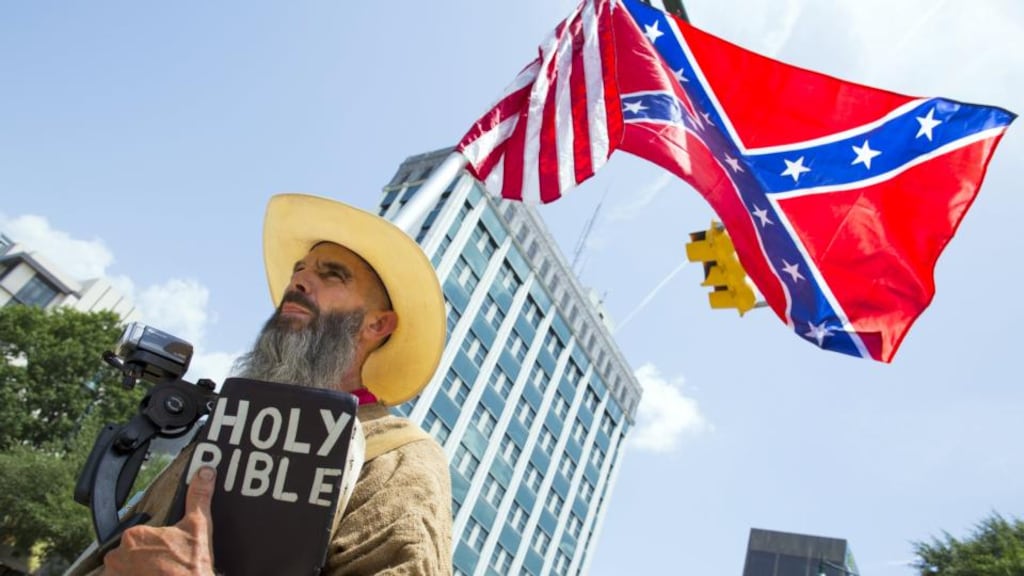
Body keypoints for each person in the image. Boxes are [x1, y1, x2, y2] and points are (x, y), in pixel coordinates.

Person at [68, 193, 453, 575]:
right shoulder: (231, 423)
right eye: (299, 270)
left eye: (331, 274)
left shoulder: (398, 454)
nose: (299, 280)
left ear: (377, 325)